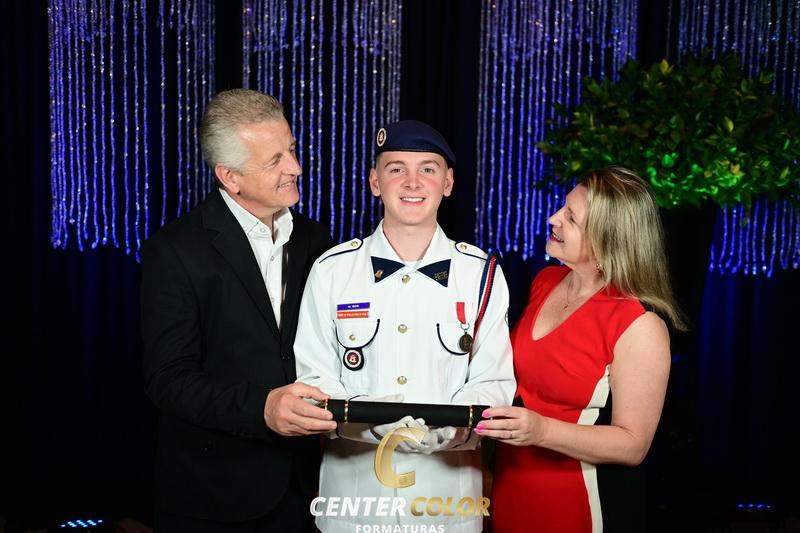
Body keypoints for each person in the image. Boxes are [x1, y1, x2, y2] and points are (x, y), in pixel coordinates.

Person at [294, 120, 516, 533]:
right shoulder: (331, 270)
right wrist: (375, 425)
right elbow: (314, 376)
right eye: (396, 169)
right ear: (375, 182)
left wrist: (447, 431)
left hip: (446, 505)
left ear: (448, 183)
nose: (412, 182)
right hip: (353, 505)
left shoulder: (481, 274)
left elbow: (494, 380)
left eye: (428, 169)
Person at [140, 88, 337, 532]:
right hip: (215, 498)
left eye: (291, 150)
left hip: (309, 489)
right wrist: (261, 408)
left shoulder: (315, 239)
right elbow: (168, 379)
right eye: (275, 160)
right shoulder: (174, 251)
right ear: (230, 177)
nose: (295, 167)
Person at [477, 166, 687, 533]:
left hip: (581, 506)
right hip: (512, 489)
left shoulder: (640, 324)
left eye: (571, 219)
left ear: (608, 242)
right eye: (563, 207)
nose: (553, 218)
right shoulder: (546, 281)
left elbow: (633, 445)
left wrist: (542, 431)